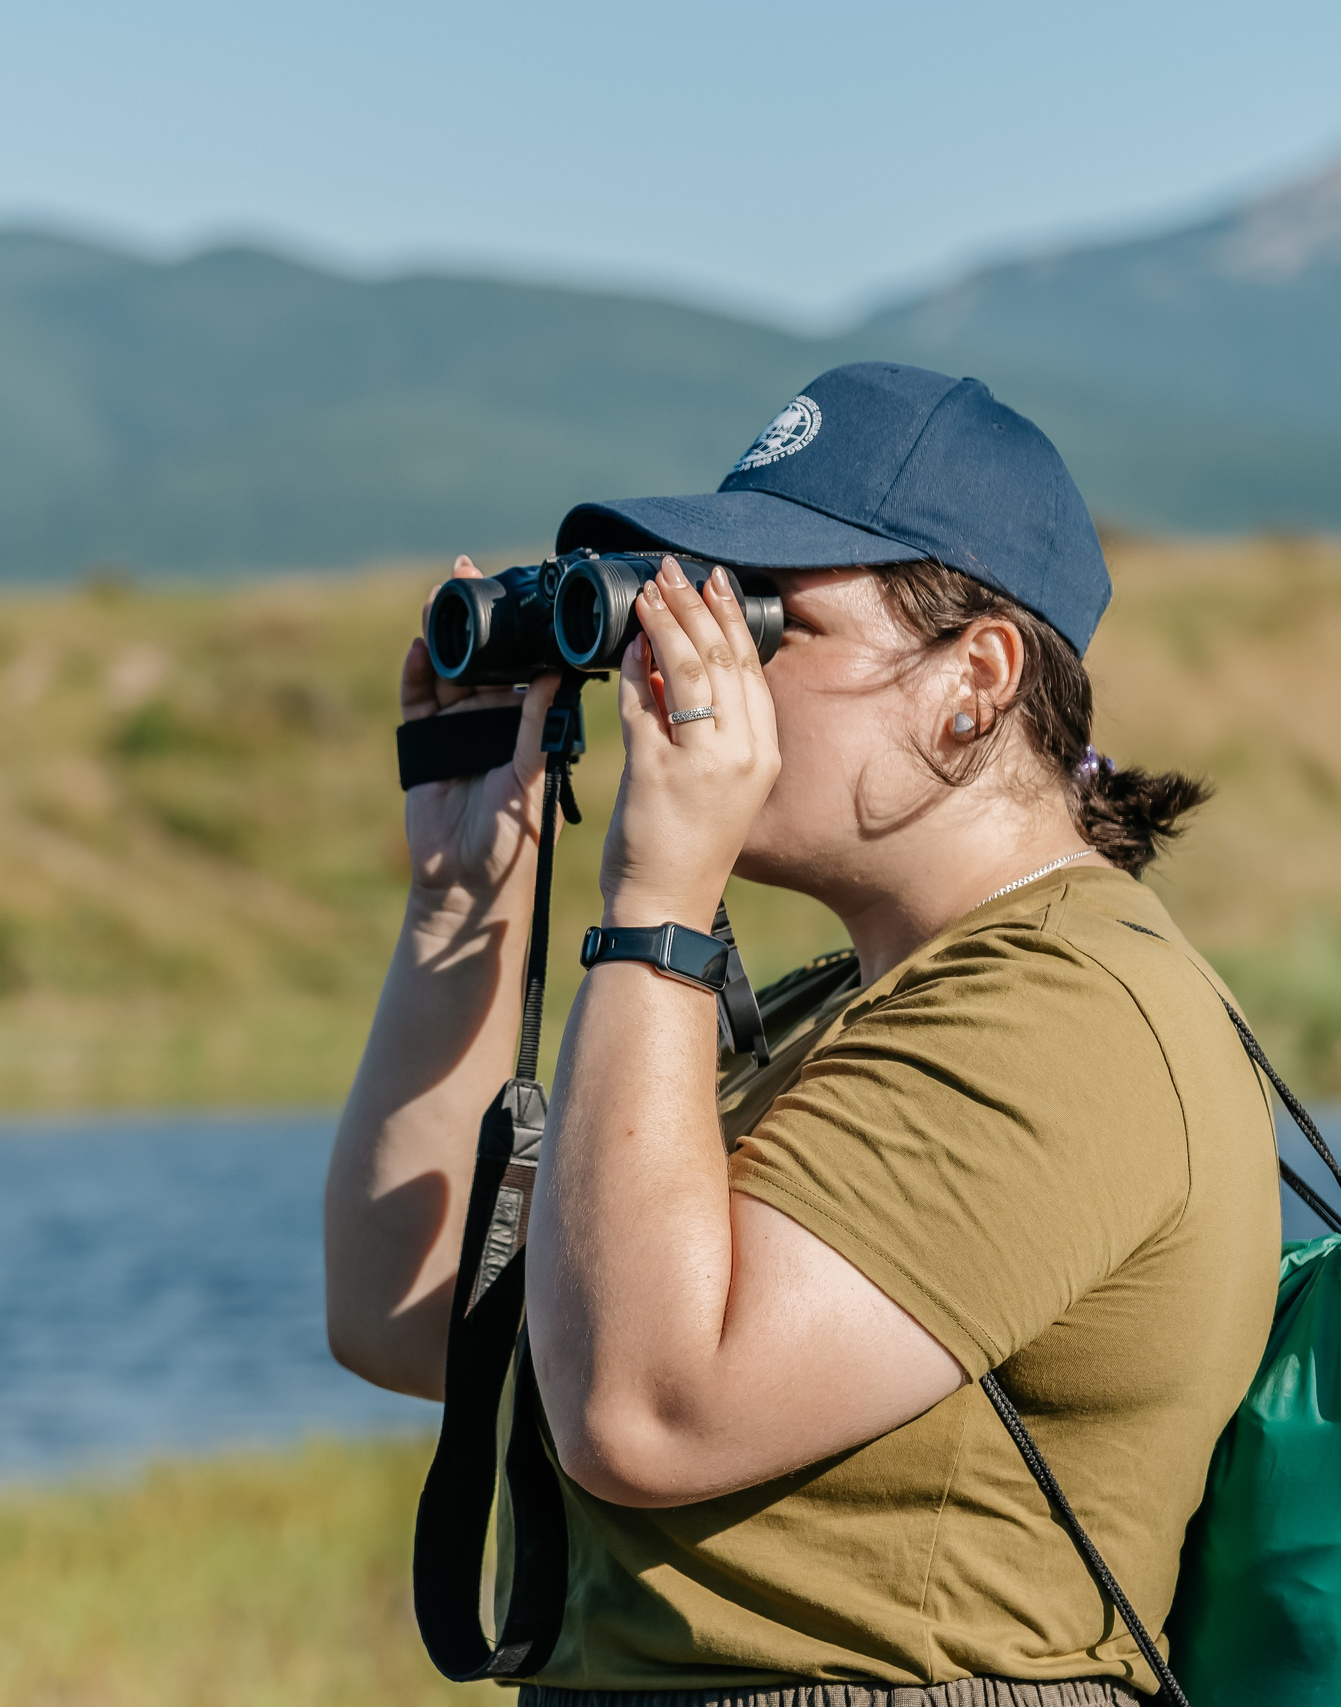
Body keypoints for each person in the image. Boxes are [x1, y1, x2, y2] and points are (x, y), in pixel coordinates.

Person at [324, 362, 1282, 1704]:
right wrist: (464, 898)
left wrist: (657, 907)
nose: (691, 666)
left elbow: (645, 1414)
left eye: (768, 622)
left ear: (975, 678)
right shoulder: (839, 1009)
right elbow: (418, 1318)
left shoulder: (1065, 1013)